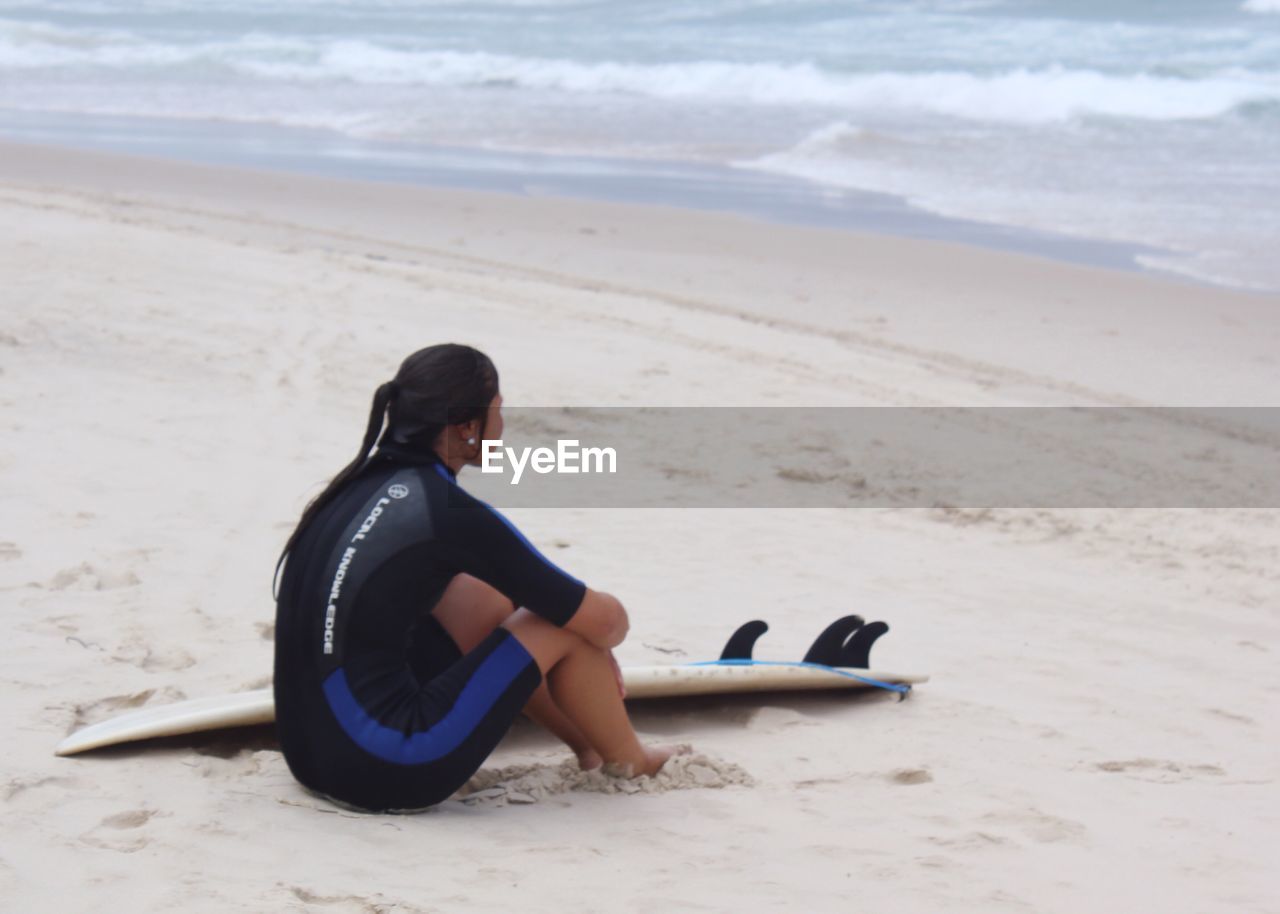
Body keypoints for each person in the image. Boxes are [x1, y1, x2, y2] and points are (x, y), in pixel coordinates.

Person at [273, 343, 675, 812]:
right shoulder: (446, 511)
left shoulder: (353, 489)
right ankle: (631, 760)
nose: (502, 427)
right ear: (467, 426)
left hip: (309, 760)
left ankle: (588, 746)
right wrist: (591, 635)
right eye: (497, 412)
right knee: (558, 620)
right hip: (387, 770)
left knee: (473, 596)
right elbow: (608, 623)